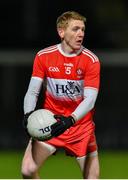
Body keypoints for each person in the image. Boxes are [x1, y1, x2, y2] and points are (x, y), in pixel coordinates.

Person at [21, 11, 100, 179]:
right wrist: (28, 114)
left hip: (80, 128)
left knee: (92, 177)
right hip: (51, 124)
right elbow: (32, 91)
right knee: (27, 171)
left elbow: (90, 100)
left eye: (83, 29)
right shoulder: (44, 56)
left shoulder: (91, 60)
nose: (81, 34)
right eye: (76, 29)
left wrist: (71, 119)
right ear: (61, 32)